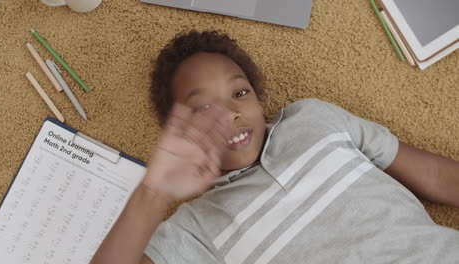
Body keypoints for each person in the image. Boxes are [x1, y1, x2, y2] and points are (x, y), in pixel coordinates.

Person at [90, 31, 459, 264]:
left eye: (239, 93)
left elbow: (437, 176)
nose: (231, 113)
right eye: (204, 108)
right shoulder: (195, 230)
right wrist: (154, 193)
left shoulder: (314, 119)